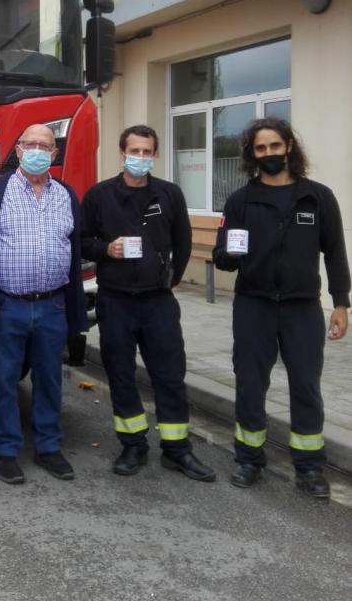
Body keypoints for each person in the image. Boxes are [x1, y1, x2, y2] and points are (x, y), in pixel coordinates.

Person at [213, 118, 349, 497]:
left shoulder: (317, 197)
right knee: (251, 383)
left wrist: (341, 304)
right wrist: (228, 255)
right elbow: (222, 254)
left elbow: (336, 253)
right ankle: (249, 459)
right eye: (261, 148)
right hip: (253, 305)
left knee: (306, 385)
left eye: (275, 146)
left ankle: (309, 467)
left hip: (302, 308)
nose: (269, 154)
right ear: (251, 154)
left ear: (289, 146)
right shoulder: (241, 200)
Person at [81, 125, 216, 482]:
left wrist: (169, 279)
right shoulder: (99, 195)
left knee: (170, 375)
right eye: (134, 151)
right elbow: (81, 241)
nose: (140, 158)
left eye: (147, 152)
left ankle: (177, 449)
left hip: (158, 302)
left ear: (155, 155)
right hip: (115, 300)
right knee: (121, 374)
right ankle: (133, 444)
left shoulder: (169, 194)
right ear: (121, 153)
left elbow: (183, 243)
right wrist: (105, 249)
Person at [0, 124, 86, 484]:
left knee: (50, 379)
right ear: (18, 150)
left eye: (45, 145)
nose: (37, 150)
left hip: (53, 305)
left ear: (55, 154)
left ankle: (48, 447)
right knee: (5, 379)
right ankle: (6, 451)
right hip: (10, 305)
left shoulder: (66, 194)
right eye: (30, 144)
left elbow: (75, 246)